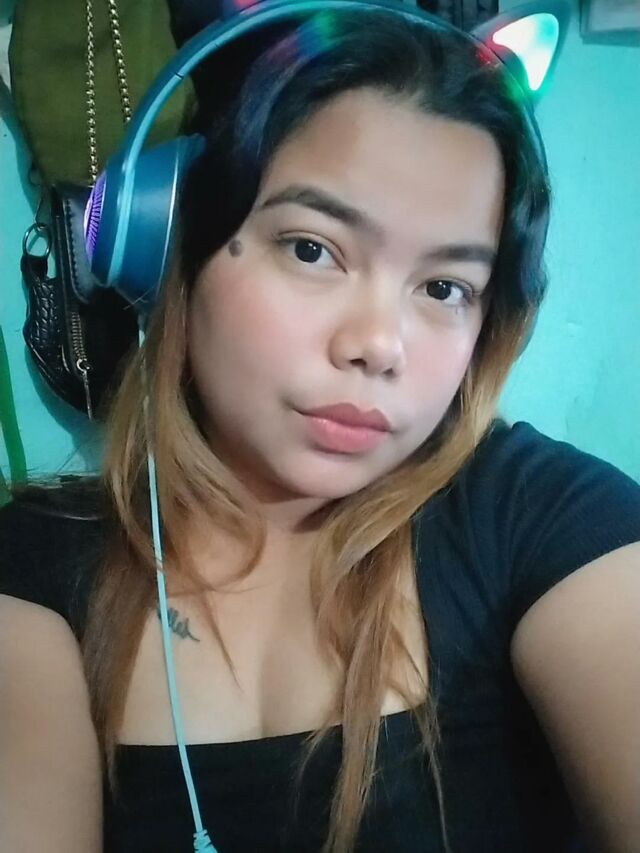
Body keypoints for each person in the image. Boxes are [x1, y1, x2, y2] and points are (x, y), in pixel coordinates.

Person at [1, 5, 639, 853]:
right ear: (175, 246)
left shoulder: (542, 516)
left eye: (444, 288)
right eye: (312, 249)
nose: (379, 344)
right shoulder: (35, 564)